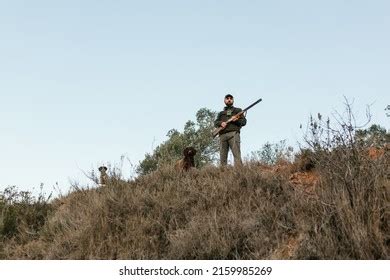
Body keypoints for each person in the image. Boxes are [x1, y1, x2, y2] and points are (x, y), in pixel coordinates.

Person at [214, 94, 247, 166]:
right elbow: (215, 123)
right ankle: (223, 173)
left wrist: (236, 120)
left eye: (231, 98)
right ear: (224, 100)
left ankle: (239, 172)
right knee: (222, 157)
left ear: (233, 100)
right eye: (227, 98)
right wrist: (221, 123)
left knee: (237, 155)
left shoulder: (238, 110)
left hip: (233, 134)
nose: (229, 99)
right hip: (222, 136)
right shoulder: (221, 113)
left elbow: (244, 122)